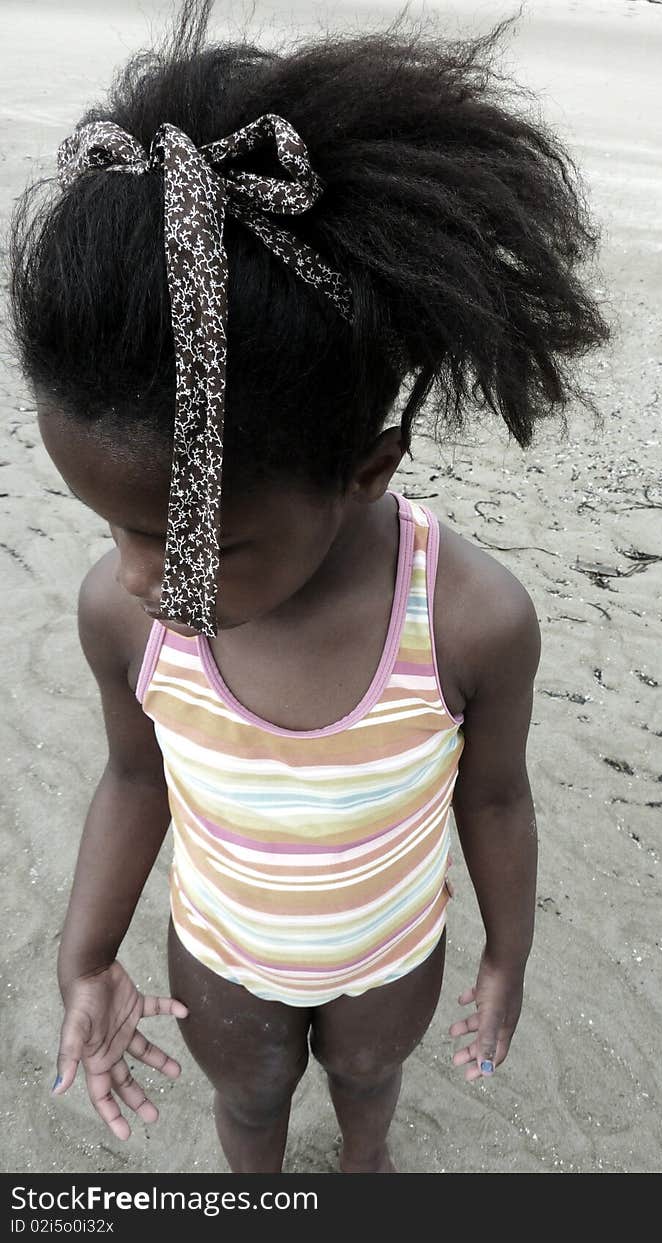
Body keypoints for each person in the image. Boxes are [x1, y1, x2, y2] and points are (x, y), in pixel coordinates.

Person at [6, 0, 609, 1173]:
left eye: (197, 542)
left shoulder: (472, 620)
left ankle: (365, 1168)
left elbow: (492, 802)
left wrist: (506, 954)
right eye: (113, 527)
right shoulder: (118, 616)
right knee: (251, 1098)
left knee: (369, 1078)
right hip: (222, 953)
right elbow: (138, 774)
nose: (142, 577)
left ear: (364, 469)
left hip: (391, 950)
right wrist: (85, 954)